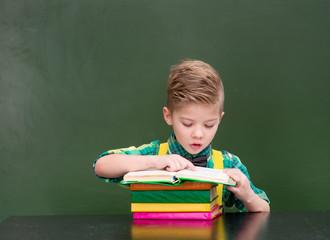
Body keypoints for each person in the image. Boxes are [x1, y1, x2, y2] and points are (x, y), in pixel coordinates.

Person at [93, 59, 270, 212]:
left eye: (209, 125)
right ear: (168, 116)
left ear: (219, 119)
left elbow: (264, 209)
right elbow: (101, 166)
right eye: (187, 124)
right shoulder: (154, 154)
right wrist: (152, 162)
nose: (198, 134)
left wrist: (248, 197)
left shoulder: (228, 163)